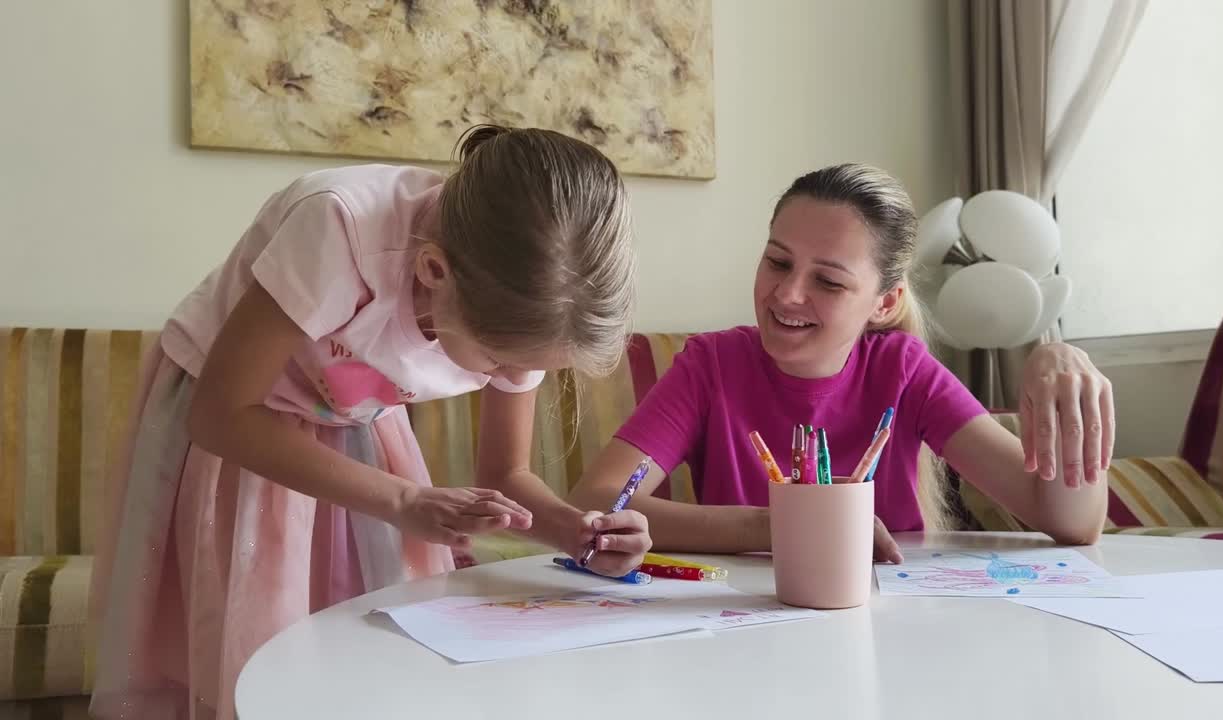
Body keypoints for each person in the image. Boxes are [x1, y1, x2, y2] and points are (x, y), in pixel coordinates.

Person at [89, 125, 653, 719]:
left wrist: (573, 533)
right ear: (434, 272)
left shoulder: (526, 300)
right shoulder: (338, 229)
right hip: (237, 427)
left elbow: (506, 471)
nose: (508, 377)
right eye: (498, 364)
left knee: (365, 659)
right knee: (247, 652)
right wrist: (406, 498)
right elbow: (221, 414)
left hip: (354, 420)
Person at [568, 163, 1113, 561]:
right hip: (745, 623)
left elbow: (1072, 522)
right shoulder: (713, 364)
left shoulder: (903, 370)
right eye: (777, 261)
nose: (786, 295)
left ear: (885, 302)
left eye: (828, 280)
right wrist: (780, 528)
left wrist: (1057, 363)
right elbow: (598, 498)